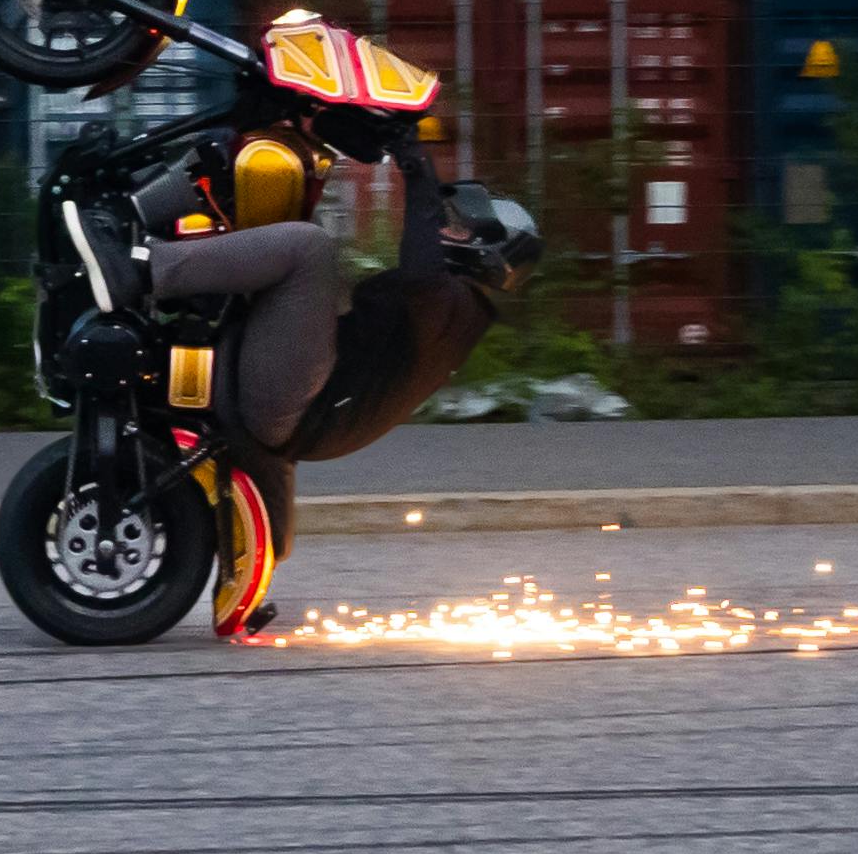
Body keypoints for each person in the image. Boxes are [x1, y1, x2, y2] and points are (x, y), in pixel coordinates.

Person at [60, 131, 531, 636]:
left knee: (308, 249)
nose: (446, 230)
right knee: (280, 233)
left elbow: (421, 268)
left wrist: (415, 163)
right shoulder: (449, 311)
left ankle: (136, 269)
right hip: (302, 399)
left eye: (461, 230)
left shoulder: (453, 307)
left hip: (298, 402)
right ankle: (137, 209)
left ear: (487, 251)